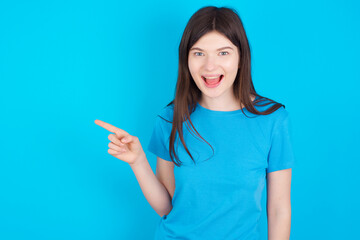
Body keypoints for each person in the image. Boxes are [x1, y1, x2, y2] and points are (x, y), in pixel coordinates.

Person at [95, 6, 295, 240]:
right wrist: (138, 161)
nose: (210, 66)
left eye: (223, 53)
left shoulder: (272, 120)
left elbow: (279, 209)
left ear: (241, 58)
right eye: (199, 53)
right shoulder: (170, 119)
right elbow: (167, 207)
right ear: (186, 60)